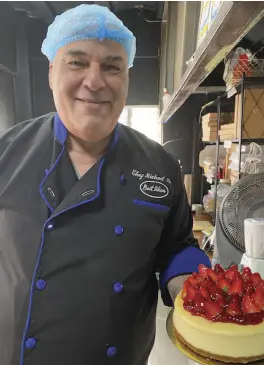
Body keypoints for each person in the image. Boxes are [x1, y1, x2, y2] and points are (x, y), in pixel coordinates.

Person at [0, 4, 211, 365]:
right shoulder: (8, 153)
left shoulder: (159, 165)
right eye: (77, 62)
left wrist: (189, 287)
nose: (95, 81)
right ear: (52, 72)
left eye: (112, 66)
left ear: (127, 78)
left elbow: (177, 245)